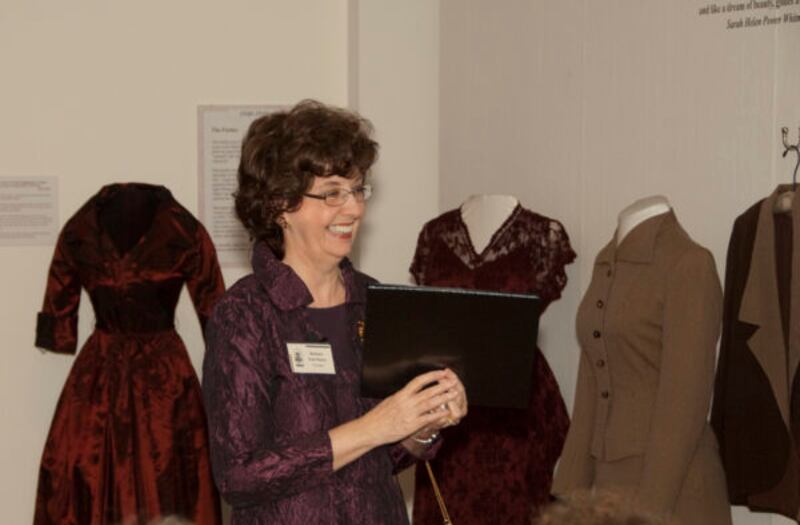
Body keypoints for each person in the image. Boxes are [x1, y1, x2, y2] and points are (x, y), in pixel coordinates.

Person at [201, 99, 468, 524]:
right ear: (280, 205)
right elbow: (239, 476)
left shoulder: (376, 299)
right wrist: (373, 427)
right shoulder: (245, 314)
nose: (354, 208)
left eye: (358, 189)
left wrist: (422, 423)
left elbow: (382, 457)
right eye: (332, 194)